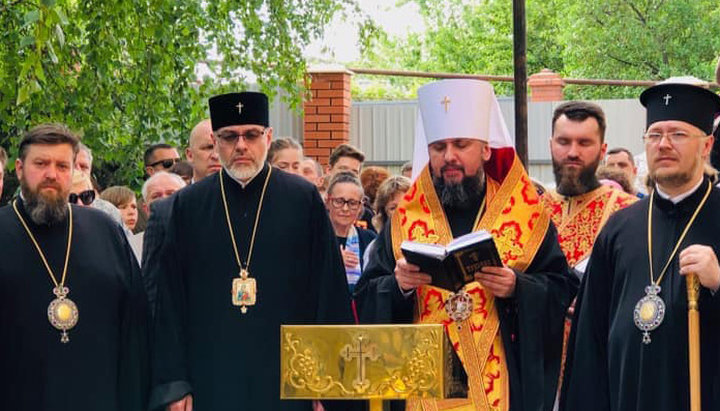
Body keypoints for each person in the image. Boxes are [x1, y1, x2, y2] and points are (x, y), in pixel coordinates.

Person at [355, 80, 577, 411]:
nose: (449, 157)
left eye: (461, 144)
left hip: (500, 382)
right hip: (423, 385)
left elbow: (561, 286)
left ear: (485, 149)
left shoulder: (524, 214)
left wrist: (518, 287)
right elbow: (367, 293)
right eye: (439, 147)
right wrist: (398, 286)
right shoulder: (406, 219)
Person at [148, 91, 358, 411]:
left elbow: (327, 292)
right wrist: (175, 384)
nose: (241, 145)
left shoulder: (303, 200)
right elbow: (169, 300)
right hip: (210, 375)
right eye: (230, 136)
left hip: (289, 376)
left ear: (268, 137)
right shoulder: (188, 206)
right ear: (217, 142)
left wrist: (325, 380)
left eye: (251, 134)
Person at [561, 80, 720, 411]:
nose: (663, 144)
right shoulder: (620, 227)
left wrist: (719, 282)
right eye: (654, 135)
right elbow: (590, 339)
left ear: (706, 146)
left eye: (677, 134)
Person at [0, 123, 149, 410]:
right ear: (19, 169)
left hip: (100, 397)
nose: (51, 174)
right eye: (41, 164)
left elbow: (135, 327)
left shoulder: (106, 230)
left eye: (62, 165)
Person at [541, 102, 637, 274]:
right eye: (563, 142)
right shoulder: (532, 210)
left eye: (584, 143)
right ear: (551, 144)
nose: (573, 152)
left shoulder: (630, 211)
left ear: (602, 150)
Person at [326, 171, 376, 295]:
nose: (345, 209)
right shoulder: (315, 236)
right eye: (339, 201)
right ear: (328, 202)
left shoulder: (370, 239)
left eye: (352, 203)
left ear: (360, 207)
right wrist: (334, 261)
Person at [129, 171, 186, 264]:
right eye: (156, 196)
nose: (164, 200)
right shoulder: (132, 247)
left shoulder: (203, 239)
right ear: (146, 208)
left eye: (171, 194)